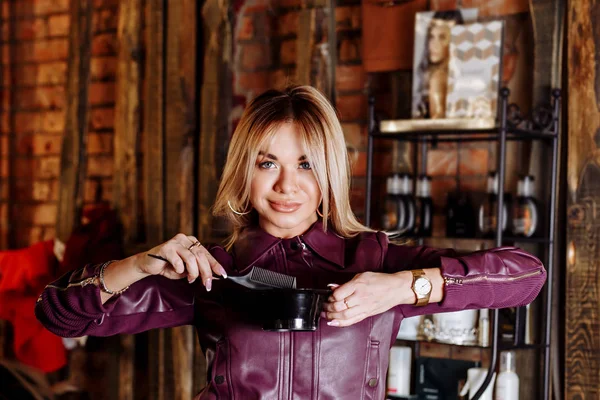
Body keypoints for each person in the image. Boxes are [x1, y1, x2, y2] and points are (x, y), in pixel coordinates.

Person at [36, 86, 546, 400]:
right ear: (244, 174)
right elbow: (60, 315)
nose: (287, 185)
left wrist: (398, 289)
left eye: (305, 163)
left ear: (329, 172)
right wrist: (138, 264)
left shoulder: (376, 261)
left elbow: (526, 274)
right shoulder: (210, 272)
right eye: (267, 163)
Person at [413, 11, 463, 119]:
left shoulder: (441, 77)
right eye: (431, 37)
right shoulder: (432, 76)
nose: (433, 45)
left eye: (442, 38)